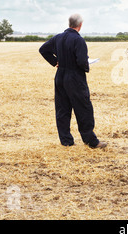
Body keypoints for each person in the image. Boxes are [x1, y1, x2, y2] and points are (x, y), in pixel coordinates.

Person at [39, 14, 107, 149]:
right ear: (80, 25)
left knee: (62, 109)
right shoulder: (78, 40)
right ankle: (91, 141)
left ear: (70, 23)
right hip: (74, 77)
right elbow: (82, 61)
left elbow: (43, 49)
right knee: (84, 109)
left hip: (60, 76)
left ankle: (66, 141)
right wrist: (86, 65)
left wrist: (55, 62)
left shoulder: (58, 37)